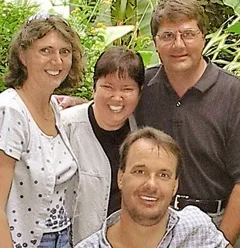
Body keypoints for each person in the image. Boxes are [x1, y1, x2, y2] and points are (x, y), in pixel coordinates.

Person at [134, 0, 240, 246]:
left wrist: (221, 242)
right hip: (153, 221)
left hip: (214, 222)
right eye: (168, 35)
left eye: (188, 34)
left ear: (203, 38)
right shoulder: (142, 87)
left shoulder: (233, 94)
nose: (178, 44)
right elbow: (111, 104)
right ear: (155, 43)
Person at [0, 13, 84, 247]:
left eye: (64, 52)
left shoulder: (53, 108)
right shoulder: (10, 111)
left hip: (63, 236)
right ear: (23, 55)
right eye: (45, 50)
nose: (56, 61)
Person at [75, 127, 232, 248]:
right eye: (140, 171)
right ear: (120, 177)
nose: (151, 184)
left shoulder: (196, 230)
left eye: (163, 175)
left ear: (175, 185)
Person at [60, 47, 144, 241]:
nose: (117, 97)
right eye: (108, 87)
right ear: (94, 87)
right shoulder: (64, 128)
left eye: (127, 89)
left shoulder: (141, 133)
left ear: (140, 93)